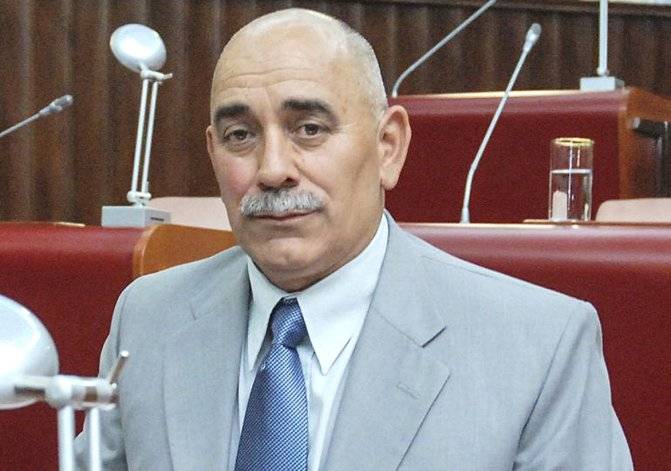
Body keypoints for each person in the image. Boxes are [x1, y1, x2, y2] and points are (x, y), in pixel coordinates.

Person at [75, 8, 632, 470]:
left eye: (309, 129)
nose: (272, 169)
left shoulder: (536, 347)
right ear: (212, 153)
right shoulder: (149, 319)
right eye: (240, 135)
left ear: (389, 147)